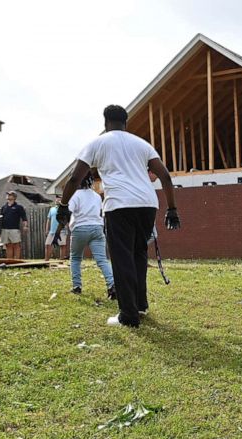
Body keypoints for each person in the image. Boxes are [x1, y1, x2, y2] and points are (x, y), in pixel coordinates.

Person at [58, 105, 180, 327]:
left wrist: (64, 205)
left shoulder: (97, 143)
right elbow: (165, 176)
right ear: (126, 122)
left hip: (119, 206)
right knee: (138, 255)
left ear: (105, 123)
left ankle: (128, 316)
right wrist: (172, 209)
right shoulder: (142, 144)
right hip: (147, 204)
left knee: (122, 258)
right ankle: (140, 306)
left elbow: (75, 179)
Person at [63, 175, 114, 298]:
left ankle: (77, 286)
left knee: (75, 258)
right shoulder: (96, 196)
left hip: (80, 228)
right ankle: (112, 285)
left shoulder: (75, 195)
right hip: (97, 228)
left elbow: (68, 212)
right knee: (102, 260)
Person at [0, 191, 28, 259]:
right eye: (7, 194)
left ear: (14, 197)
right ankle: (10, 261)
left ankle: (17, 261)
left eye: (10, 194)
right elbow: (1, 219)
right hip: (5, 229)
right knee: (8, 245)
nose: (8, 196)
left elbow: (24, 218)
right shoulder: (4, 207)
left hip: (14, 229)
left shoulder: (19, 207)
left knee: (16, 245)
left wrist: (25, 226)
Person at [44, 195, 68, 261]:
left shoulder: (65, 209)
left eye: (59, 199)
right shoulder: (52, 209)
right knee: (47, 245)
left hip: (62, 230)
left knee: (62, 245)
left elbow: (67, 219)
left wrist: (67, 228)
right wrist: (46, 230)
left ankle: (61, 260)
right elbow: (48, 220)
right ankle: (46, 260)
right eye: (56, 198)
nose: (57, 200)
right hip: (52, 231)